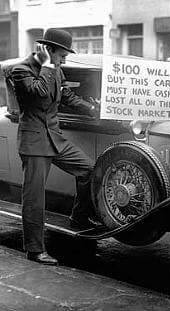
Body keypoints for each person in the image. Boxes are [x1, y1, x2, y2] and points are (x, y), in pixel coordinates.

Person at [11, 28, 99, 265]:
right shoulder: (20, 71)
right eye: (62, 55)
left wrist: (90, 108)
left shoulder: (56, 70)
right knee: (34, 199)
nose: (64, 60)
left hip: (55, 139)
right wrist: (48, 66)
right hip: (34, 143)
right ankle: (34, 250)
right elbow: (39, 94)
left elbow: (66, 96)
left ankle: (79, 218)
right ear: (49, 51)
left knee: (89, 170)